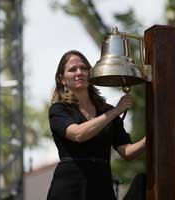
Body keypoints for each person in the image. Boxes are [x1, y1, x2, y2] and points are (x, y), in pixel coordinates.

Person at [47, 50, 146, 200]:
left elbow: (127, 152)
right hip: (70, 190)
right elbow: (79, 134)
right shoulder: (59, 109)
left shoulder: (106, 110)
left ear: (90, 73)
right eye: (72, 69)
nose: (79, 72)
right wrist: (116, 111)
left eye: (84, 68)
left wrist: (153, 137)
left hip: (101, 187)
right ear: (62, 79)